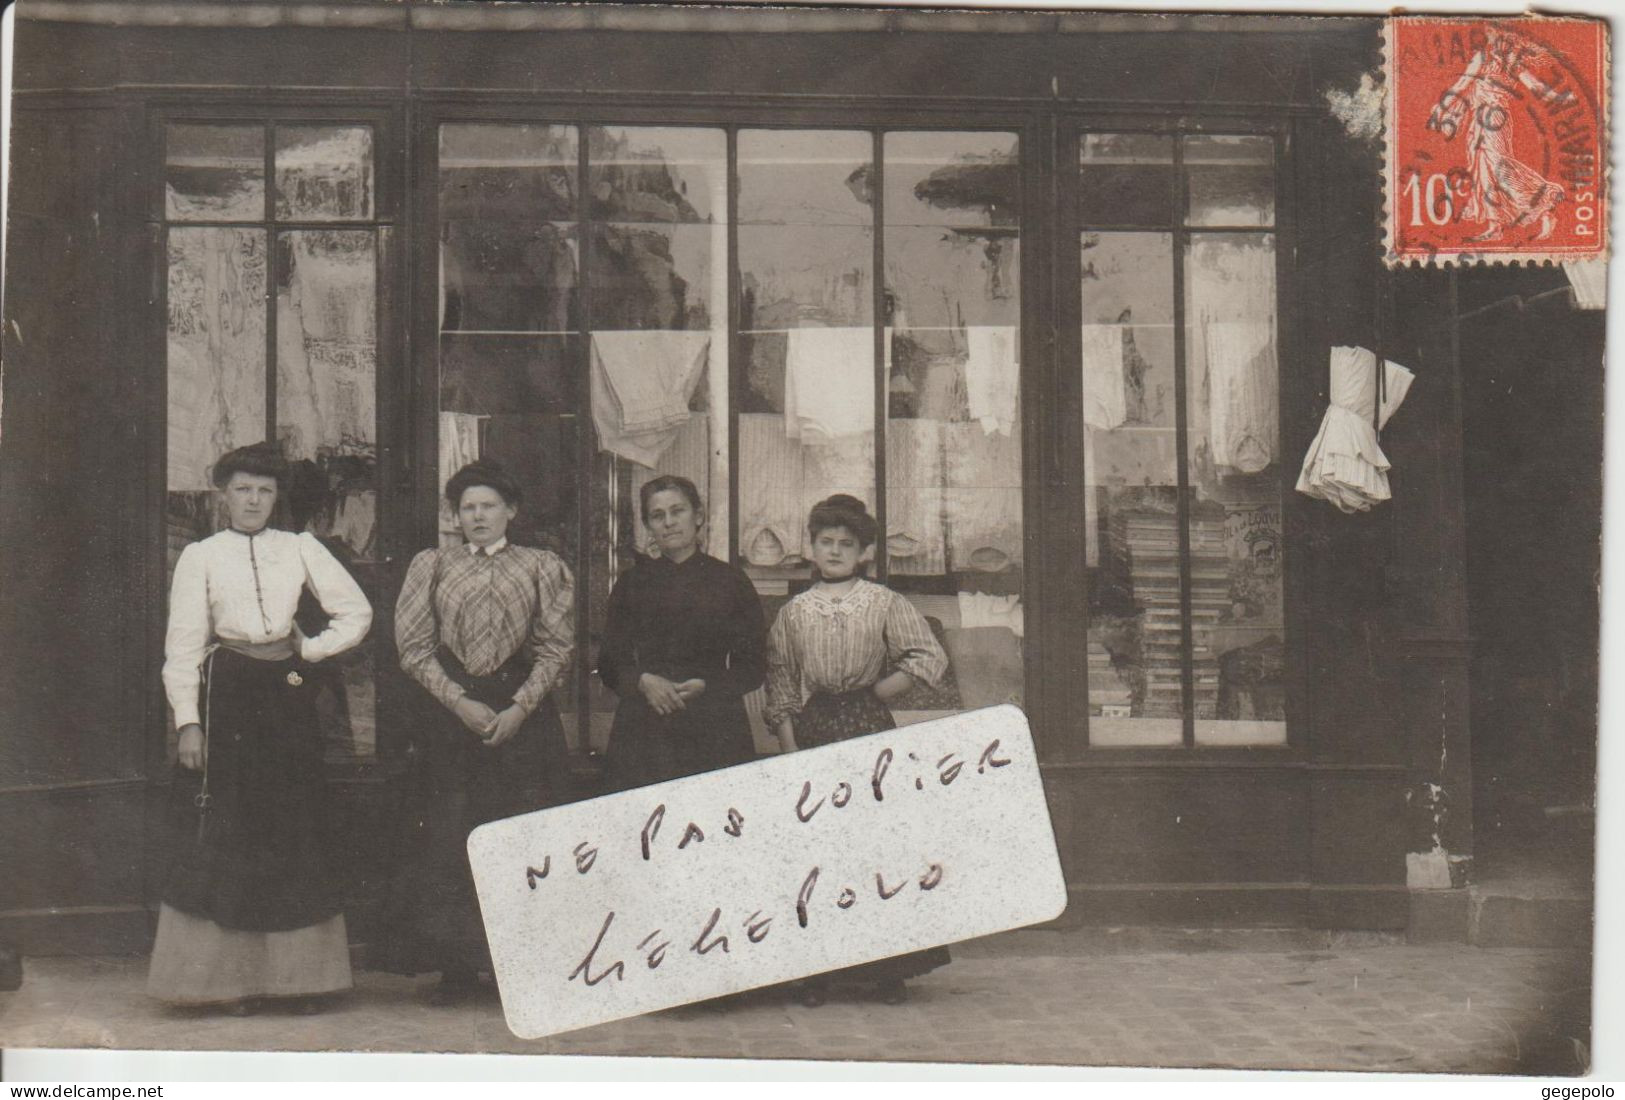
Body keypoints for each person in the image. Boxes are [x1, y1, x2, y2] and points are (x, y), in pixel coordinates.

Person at [150, 442, 374, 1014]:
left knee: (292, 827)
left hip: (287, 696)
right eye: (243, 489)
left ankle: (299, 983)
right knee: (227, 833)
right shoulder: (200, 556)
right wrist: (189, 725)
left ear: (277, 498)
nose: (254, 500)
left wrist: (314, 648)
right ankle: (219, 984)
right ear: (224, 495)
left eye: (265, 491)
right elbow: (182, 650)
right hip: (226, 697)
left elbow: (357, 612)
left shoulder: (300, 548)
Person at [386, 459, 575, 1005]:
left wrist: (519, 708)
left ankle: (520, 967)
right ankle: (458, 969)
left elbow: (557, 647)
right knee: (451, 837)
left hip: (523, 717)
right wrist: (460, 701)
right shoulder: (434, 565)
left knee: (519, 837)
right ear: (455, 516)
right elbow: (414, 648)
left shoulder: (542, 566)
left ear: (510, 510)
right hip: (453, 716)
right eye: (467, 507)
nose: (477, 516)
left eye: (488, 505)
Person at [765, 493, 951, 1007]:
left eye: (847, 544)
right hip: (818, 726)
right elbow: (781, 679)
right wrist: (789, 746)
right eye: (825, 542)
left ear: (865, 552)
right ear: (811, 547)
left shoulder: (883, 602)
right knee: (819, 851)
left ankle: (887, 970)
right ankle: (817, 972)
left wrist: (880, 691)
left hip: (868, 724)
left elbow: (926, 654)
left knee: (877, 846)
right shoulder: (795, 612)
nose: (835, 551)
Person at [600, 475, 767, 792]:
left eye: (677, 511)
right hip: (644, 730)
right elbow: (609, 664)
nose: (668, 523)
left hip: (715, 726)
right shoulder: (632, 584)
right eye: (657, 515)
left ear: (699, 516)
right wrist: (643, 681)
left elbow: (754, 666)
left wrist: (708, 685)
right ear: (648, 525)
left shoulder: (730, 582)